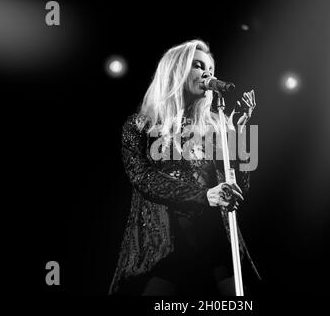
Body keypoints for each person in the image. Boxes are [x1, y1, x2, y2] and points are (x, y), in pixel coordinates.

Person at [108, 39, 257, 295]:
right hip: (166, 247)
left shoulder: (216, 127)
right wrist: (204, 196)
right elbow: (144, 179)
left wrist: (238, 132)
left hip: (216, 245)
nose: (208, 73)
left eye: (210, 67)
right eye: (198, 66)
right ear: (176, 71)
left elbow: (240, 186)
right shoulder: (140, 126)